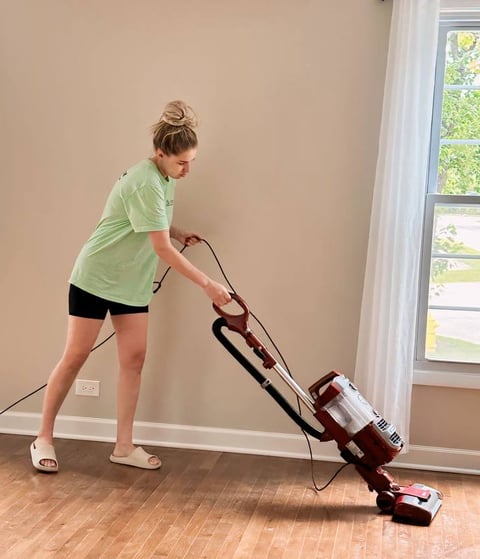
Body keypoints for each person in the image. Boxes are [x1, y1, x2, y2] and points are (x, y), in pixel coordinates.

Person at [30, 100, 231, 473]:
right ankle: (43, 437)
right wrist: (208, 285)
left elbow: (146, 223)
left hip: (131, 283)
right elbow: (160, 248)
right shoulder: (144, 181)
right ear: (160, 154)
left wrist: (176, 229)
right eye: (181, 162)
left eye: (191, 162)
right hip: (96, 277)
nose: (187, 170)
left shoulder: (162, 178)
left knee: (134, 359)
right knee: (75, 357)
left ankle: (123, 446)